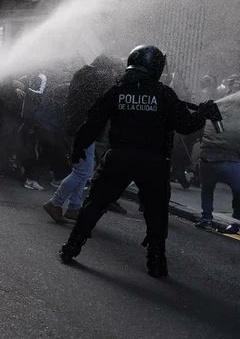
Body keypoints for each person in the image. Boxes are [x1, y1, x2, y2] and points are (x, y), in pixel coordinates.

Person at [59, 45, 212, 278]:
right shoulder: (164, 95)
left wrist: (79, 147)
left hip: (119, 157)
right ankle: (156, 262)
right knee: (156, 213)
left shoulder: (117, 91)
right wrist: (203, 113)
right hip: (154, 162)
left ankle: (71, 248)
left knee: (96, 203)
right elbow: (186, 126)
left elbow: (93, 121)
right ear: (157, 68)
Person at [44, 55, 121, 222]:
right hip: (84, 129)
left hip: (76, 126)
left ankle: (74, 207)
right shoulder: (101, 77)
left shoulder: (83, 73)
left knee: (83, 169)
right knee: (83, 171)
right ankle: (55, 203)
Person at [195, 91, 240, 230]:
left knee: (207, 189)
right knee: (238, 189)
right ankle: (237, 216)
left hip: (207, 157)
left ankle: (206, 219)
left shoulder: (214, 110)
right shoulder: (236, 116)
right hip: (229, 160)